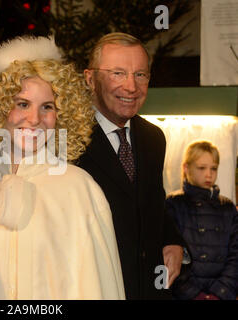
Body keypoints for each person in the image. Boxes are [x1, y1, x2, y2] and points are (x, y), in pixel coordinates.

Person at [0, 36, 125, 299]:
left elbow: (100, 286)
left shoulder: (78, 188)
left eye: (47, 107)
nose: (35, 119)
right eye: (22, 104)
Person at [77, 32, 185, 299]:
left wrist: (172, 239)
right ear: (90, 78)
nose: (131, 87)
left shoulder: (152, 137)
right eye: (118, 73)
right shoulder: (67, 141)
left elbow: (151, 201)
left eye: (140, 75)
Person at [166, 140, 237, 300]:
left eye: (214, 168)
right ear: (186, 168)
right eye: (201, 168)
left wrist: (220, 293)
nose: (208, 174)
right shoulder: (173, 204)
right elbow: (171, 255)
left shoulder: (228, 208)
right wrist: (193, 294)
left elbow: (236, 255)